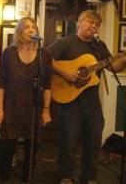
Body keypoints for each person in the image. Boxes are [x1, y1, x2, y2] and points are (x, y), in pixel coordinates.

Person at [47, 10, 126, 184]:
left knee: (94, 140)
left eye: (96, 24)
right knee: (69, 141)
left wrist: (125, 59)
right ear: (80, 22)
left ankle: (89, 177)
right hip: (70, 101)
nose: (94, 26)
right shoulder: (65, 43)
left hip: (92, 102)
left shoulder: (99, 47)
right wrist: (66, 73)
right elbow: (45, 58)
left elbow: (114, 66)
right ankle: (65, 176)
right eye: (90, 22)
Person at [0, 17, 52, 182]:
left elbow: (48, 85)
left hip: (35, 108)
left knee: (32, 149)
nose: (31, 29)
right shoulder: (8, 53)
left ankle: (26, 178)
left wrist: (46, 110)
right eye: (27, 27)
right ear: (19, 31)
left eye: (33, 27)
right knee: (7, 148)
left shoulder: (44, 55)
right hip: (12, 107)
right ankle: (3, 178)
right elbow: (1, 83)